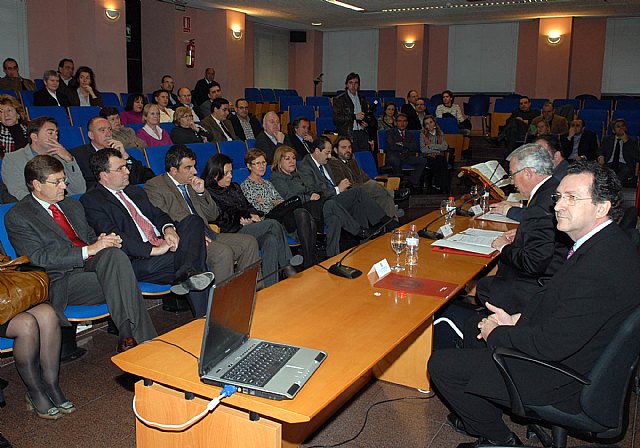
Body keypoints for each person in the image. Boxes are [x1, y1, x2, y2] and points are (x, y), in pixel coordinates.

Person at [429, 161, 640, 448]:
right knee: (471, 325)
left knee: (441, 365)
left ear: (601, 207)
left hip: (562, 377)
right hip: (574, 353)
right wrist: (517, 318)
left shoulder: (599, 268)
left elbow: (551, 345)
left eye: (572, 198)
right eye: (558, 197)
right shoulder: (606, 244)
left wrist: (500, 333)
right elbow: (559, 302)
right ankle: (479, 415)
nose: (558, 206)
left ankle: (500, 439)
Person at [5, 155, 157, 353]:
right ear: (37, 184)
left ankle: (130, 335)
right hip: (60, 278)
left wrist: (101, 241)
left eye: (64, 180)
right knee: (123, 279)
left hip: (91, 265)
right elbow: (39, 258)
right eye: (57, 182)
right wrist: (90, 249)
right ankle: (140, 339)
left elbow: (89, 237)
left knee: (114, 255)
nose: (64, 186)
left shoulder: (72, 205)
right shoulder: (19, 215)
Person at [80, 148, 214, 317]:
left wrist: (169, 230)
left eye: (126, 166)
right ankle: (207, 316)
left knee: (193, 221)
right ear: (103, 174)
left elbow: (158, 214)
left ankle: (186, 274)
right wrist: (154, 250)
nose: (127, 171)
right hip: (140, 259)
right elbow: (113, 235)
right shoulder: (92, 200)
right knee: (194, 257)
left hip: (163, 246)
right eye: (120, 168)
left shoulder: (135, 191)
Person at [475, 144, 571, 315]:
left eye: (513, 175)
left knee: (484, 286)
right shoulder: (553, 188)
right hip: (556, 276)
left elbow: (533, 263)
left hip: (538, 287)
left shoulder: (540, 207)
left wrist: (504, 246)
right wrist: (522, 234)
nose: (512, 182)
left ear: (528, 172)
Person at [145, 145, 259, 284]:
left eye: (194, 166)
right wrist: (193, 236)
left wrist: (201, 192)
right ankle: (221, 304)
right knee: (223, 252)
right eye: (188, 168)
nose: (194, 171)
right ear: (174, 170)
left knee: (249, 242)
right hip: (189, 240)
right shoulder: (156, 186)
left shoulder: (192, 183)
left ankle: (250, 291)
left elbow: (213, 215)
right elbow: (160, 218)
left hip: (209, 233)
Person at [201, 153, 297, 287]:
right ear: (215, 174)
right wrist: (243, 217)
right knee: (273, 225)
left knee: (271, 239)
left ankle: (270, 285)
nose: (230, 176)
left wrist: (251, 214)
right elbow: (219, 218)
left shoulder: (234, 187)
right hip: (232, 231)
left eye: (231, 172)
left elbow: (249, 206)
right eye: (226, 173)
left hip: (247, 226)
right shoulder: (209, 192)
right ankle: (287, 265)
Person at [271, 145, 374, 260]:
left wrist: (314, 194)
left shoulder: (297, 174)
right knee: (330, 204)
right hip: (298, 212)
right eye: (287, 159)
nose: (292, 161)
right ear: (279, 162)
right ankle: (359, 231)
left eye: (294, 158)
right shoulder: (277, 178)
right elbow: (289, 197)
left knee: (334, 218)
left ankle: (332, 256)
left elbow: (311, 187)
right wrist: (309, 197)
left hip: (313, 206)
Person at [298, 136, 394, 238]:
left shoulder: (324, 162)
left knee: (358, 201)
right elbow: (315, 192)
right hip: (324, 203)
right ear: (317, 151)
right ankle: (385, 220)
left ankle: (364, 238)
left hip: (336, 196)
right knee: (357, 192)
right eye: (327, 153)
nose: (330, 156)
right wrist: (337, 189)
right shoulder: (305, 167)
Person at [240, 149, 318, 267]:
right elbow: (257, 209)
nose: (262, 166)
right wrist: (272, 202)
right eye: (258, 163)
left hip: (281, 215)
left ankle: (310, 261)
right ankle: (310, 261)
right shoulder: (246, 186)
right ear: (249, 166)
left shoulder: (267, 183)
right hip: (268, 220)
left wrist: (267, 201)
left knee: (303, 214)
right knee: (304, 218)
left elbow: (281, 202)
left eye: (264, 163)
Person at [2, 116, 86, 200]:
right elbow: (18, 192)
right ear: (34, 137)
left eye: (56, 134)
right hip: (34, 208)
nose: (55, 137)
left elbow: (79, 190)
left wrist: (69, 160)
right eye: (50, 133)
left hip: (65, 204)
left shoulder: (61, 156)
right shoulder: (13, 159)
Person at [328, 136, 401, 219]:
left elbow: (364, 176)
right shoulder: (333, 163)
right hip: (351, 191)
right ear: (335, 150)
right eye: (344, 147)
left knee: (385, 197)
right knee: (373, 185)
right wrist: (366, 185)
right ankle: (395, 194)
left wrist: (369, 183)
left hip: (361, 188)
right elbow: (342, 182)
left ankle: (391, 222)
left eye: (349, 147)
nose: (348, 150)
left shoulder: (352, 161)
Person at [70, 116, 154, 189]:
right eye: (102, 130)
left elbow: (145, 175)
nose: (108, 134)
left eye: (110, 129)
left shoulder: (117, 151)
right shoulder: (79, 155)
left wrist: (125, 156)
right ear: (91, 135)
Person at [385, 113, 428, 192]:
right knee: (395, 161)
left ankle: (412, 181)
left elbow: (415, 146)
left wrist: (402, 144)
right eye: (400, 121)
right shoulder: (390, 132)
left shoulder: (409, 133)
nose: (402, 123)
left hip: (406, 156)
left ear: (407, 123)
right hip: (394, 156)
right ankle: (398, 185)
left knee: (423, 161)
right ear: (396, 122)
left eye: (404, 121)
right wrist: (406, 148)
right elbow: (392, 146)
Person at [332, 72, 371, 152]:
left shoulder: (362, 99)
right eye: (351, 83)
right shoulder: (339, 99)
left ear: (359, 85)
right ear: (346, 85)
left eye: (356, 83)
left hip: (362, 132)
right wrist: (354, 116)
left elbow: (366, 115)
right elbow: (337, 118)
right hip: (348, 134)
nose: (353, 86)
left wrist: (366, 122)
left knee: (364, 159)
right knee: (352, 161)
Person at [597, 118, 639, 184]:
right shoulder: (607, 139)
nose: (621, 128)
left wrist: (626, 142)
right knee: (604, 171)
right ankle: (612, 185)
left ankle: (614, 185)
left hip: (625, 164)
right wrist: (601, 156)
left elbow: (637, 156)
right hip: (610, 163)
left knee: (626, 171)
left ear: (626, 128)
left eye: (623, 126)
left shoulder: (632, 140)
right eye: (618, 126)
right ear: (613, 130)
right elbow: (600, 150)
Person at [420, 115, 451, 193]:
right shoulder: (423, 134)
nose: (429, 125)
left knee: (442, 161)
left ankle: (445, 185)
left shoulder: (440, 133)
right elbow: (423, 149)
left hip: (439, 155)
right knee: (434, 163)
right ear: (425, 126)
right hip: (428, 156)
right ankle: (439, 184)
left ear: (434, 123)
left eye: (431, 122)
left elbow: (445, 147)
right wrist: (437, 149)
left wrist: (430, 146)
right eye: (427, 123)